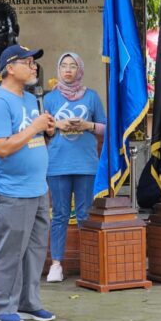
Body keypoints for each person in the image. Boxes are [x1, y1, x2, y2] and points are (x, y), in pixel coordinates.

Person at [0, 44, 56, 321]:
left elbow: (32, 139)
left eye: (34, 62)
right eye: (27, 62)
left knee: (35, 250)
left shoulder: (29, 99)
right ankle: (1, 307)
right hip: (11, 191)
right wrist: (35, 128)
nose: (34, 66)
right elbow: (1, 147)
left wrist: (47, 133)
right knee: (10, 250)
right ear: (10, 68)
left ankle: (28, 303)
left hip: (37, 188)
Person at [42, 52, 106, 283]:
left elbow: (106, 128)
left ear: (79, 69)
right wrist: (57, 124)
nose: (68, 70)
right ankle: (56, 264)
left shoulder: (91, 97)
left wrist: (88, 125)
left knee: (84, 214)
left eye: (72, 66)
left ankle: (90, 262)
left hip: (86, 164)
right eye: (63, 66)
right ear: (58, 70)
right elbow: (43, 130)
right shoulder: (50, 99)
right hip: (57, 164)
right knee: (58, 214)